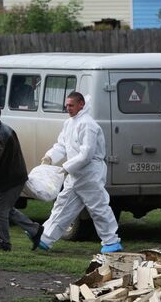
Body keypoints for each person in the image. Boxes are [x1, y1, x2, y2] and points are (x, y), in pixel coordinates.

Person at [37, 92, 123, 253]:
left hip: (89, 173)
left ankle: (111, 241)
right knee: (62, 205)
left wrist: (67, 167)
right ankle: (45, 238)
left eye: (71, 105)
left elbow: (87, 154)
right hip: (75, 174)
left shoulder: (88, 125)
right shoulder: (70, 123)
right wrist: (50, 156)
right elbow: (62, 144)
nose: (67, 108)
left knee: (98, 207)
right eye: (66, 105)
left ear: (81, 104)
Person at [0, 102, 44, 251]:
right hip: (11, 178)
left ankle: (4, 243)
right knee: (6, 209)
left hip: (12, 179)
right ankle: (35, 230)